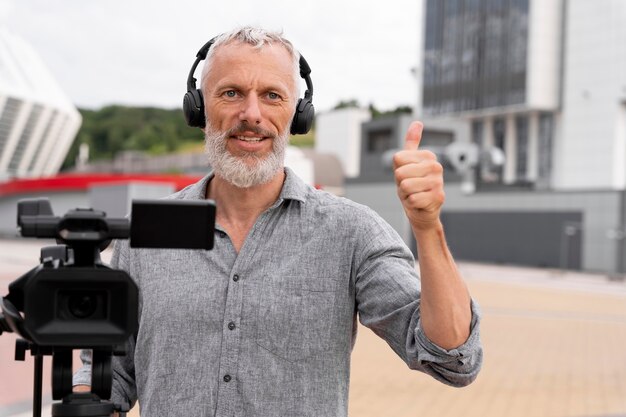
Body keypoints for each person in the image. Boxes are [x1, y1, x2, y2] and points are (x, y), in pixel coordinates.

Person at [74, 26, 482, 416]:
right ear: (198, 107)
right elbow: (108, 377)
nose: (251, 114)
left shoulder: (351, 233)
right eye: (231, 93)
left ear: (297, 114)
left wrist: (427, 227)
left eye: (272, 95)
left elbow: (452, 358)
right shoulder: (145, 234)